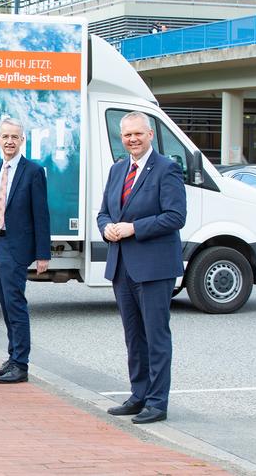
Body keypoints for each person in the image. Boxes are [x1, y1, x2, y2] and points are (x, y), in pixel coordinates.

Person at [97, 111, 186, 424]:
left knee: (156, 336)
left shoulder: (167, 169)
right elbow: (104, 213)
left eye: (138, 133)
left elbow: (176, 217)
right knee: (133, 336)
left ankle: (157, 403)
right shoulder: (117, 169)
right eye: (126, 135)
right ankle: (138, 395)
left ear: (150, 134)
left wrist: (134, 228)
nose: (132, 139)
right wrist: (106, 227)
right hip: (122, 267)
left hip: (154, 267)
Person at [0, 117, 51, 384]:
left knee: (15, 304)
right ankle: (12, 357)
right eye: (5, 137)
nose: (9, 141)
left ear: (22, 141)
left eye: (14, 137)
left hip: (17, 247)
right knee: (6, 305)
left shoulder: (33, 172)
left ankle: (21, 364)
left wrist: (44, 253)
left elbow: (41, 215)